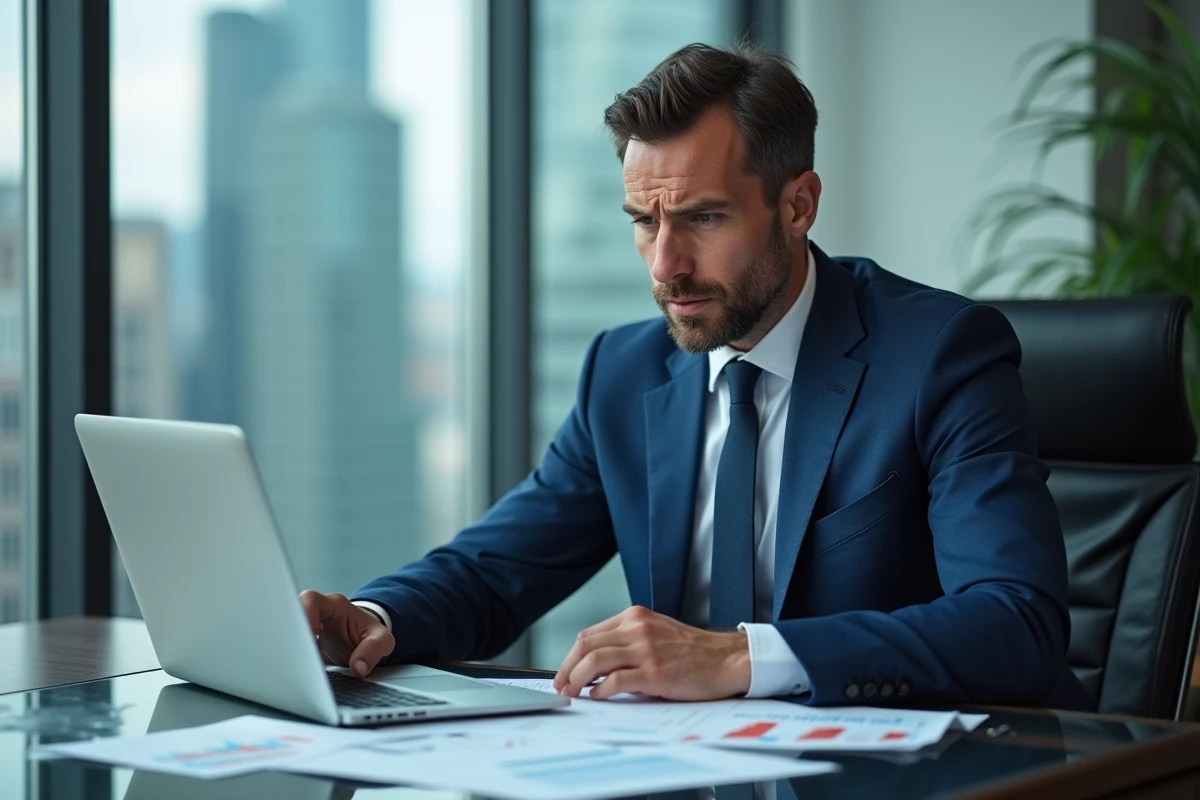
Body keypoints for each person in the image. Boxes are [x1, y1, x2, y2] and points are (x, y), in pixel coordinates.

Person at [300, 43, 1093, 710]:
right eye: (644, 222)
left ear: (798, 205)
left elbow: (1014, 623)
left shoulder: (941, 354)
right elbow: (495, 571)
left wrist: (740, 658)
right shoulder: (623, 371)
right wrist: (373, 616)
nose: (666, 264)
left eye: (703, 218)